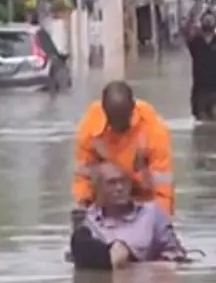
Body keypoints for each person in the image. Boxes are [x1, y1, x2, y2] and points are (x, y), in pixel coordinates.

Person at [72, 81, 175, 222]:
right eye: (113, 120)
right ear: (104, 112)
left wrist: (161, 221)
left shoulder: (154, 131)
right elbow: (83, 175)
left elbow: (163, 188)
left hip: (142, 198)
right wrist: (83, 205)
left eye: (123, 119)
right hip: (104, 201)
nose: (118, 126)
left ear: (133, 108)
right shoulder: (90, 126)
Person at [70, 163, 191, 270]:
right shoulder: (88, 222)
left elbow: (177, 256)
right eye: (111, 183)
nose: (119, 188)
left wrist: (138, 266)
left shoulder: (151, 213)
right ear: (98, 189)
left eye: (123, 182)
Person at [184, 9, 216, 120]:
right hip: (200, 90)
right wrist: (192, 18)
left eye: (211, 19)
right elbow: (186, 33)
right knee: (202, 123)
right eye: (206, 19)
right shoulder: (195, 42)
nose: (209, 21)